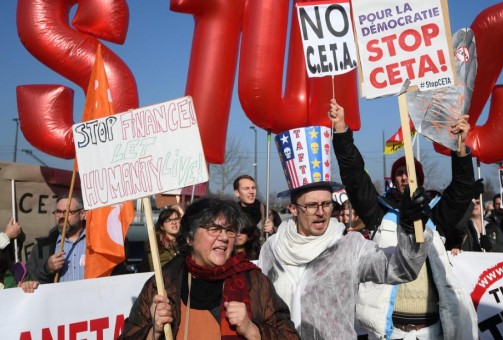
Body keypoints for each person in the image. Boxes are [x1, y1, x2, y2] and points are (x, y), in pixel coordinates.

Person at [259, 125, 432, 339]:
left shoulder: (349, 246)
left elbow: (401, 268)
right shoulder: (272, 249)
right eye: (312, 206)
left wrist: (410, 228)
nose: (321, 212)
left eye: (327, 204)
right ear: (293, 209)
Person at [329, 99, 478, 340]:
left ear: (420, 181)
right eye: (399, 173)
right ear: (393, 180)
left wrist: (460, 148)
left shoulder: (435, 215)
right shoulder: (378, 213)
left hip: (433, 331)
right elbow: (355, 177)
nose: (404, 178)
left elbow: (462, 190)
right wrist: (341, 131)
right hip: (391, 332)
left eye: (410, 173)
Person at [121, 198, 299, 339]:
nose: (224, 237)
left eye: (229, 230)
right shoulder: (163, 284)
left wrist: (252, 330)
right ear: (190, 237)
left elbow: (289, 336)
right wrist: (154, 332)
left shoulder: (254, 281)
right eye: (214, 229)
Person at [26, 194, 87, 283]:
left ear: (82, 214)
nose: (62, 216)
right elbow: (31, 280)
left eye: (67, 212)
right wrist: (47, 268)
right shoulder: (42, 248)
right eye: (58, 212)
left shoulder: (97, 241)